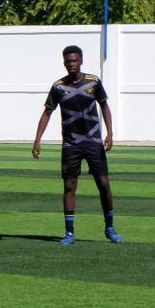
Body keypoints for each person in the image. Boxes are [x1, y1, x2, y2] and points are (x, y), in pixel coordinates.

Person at [33, 45, 120, 245]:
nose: (71, 64)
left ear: (80, 61)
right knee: (69, 186)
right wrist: (37, 140)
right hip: (71, 144)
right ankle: (69, 232)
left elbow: (104, 106)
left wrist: (110, 133)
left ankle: (109, 227)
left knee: (104, 184)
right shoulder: (58, 87)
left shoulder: (93, 82)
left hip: (93, 142)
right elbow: (47, 113)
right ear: (64, 63)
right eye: (68, 61)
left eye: (74, 61)